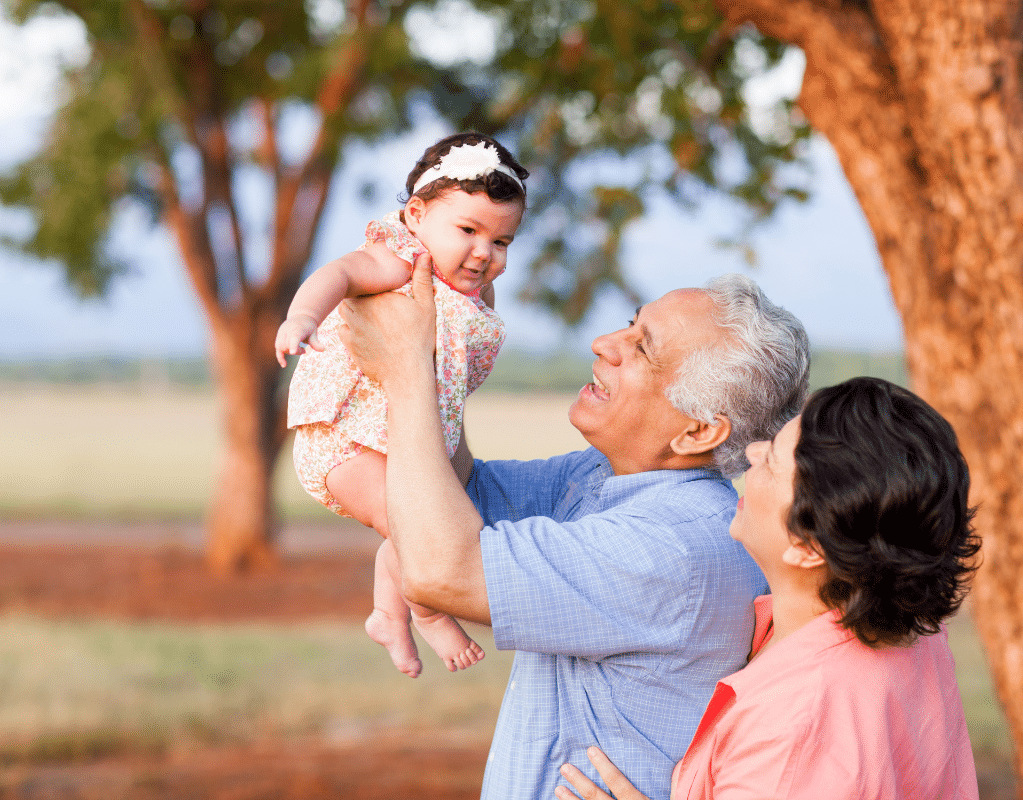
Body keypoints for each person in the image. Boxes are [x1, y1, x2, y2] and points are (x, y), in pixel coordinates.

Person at [338, 268, 811, 800]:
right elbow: (454, 496)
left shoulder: (673, 546)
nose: (604, 343)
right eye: (630, 325)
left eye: (642, 349)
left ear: (698, 431)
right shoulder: (605, 475)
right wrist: (445, 345)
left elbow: (439, 571)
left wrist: (406, 371)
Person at [557, 376, 982, 800]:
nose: (751, 452)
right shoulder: (914, 630)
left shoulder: (789, 727)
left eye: (773, 462)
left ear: (808, 545)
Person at [275, 132, 529, 678]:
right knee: (420, 530)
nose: (484, 252)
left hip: (398, 442)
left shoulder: (469, 288)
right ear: (415, 216)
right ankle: (428, 614)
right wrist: (302, 318)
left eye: (502, 241)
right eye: (467, 230)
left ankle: (387, 613)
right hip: (345, 442)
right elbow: (339, 274)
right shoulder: (400, 260)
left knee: (429, 518)